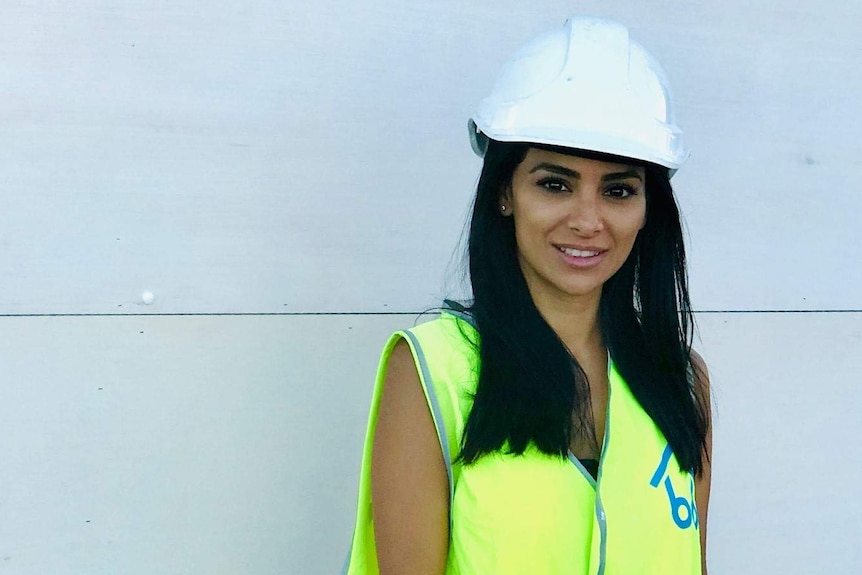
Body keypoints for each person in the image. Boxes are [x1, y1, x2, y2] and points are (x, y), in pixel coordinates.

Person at [343, 15, 712, 575]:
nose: (588, 221)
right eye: (554, 183)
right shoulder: (432, 372)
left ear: (646, 211)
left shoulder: (680, 378)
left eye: (618, 190)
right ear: (504, 195)